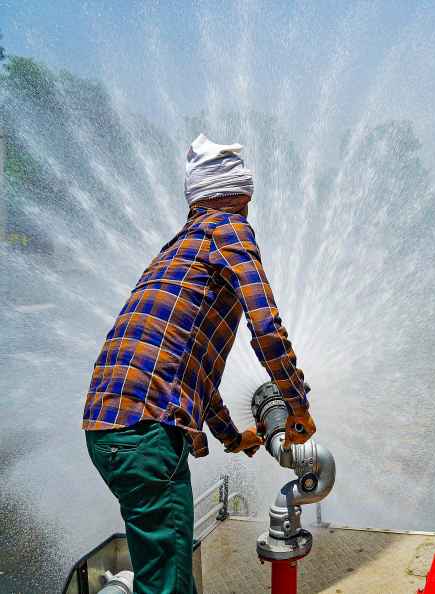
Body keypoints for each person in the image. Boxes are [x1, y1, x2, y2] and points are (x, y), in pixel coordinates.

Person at [82, 134, 315, 594]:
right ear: (233, 198)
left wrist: (233, 437)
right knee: (166, 584)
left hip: (109, 430)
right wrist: (298, 405)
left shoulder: (176, 252)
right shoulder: (229, 230)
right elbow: (265, 326)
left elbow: (184, 372)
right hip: (146, 435)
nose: (249, 214)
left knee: (167, 574)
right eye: (246, 204)